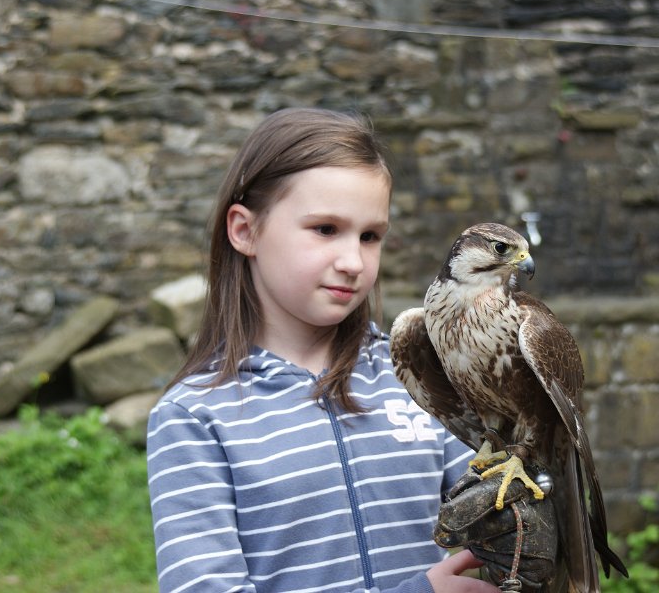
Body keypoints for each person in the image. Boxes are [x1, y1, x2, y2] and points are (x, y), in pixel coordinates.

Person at [146, 108, 501, 593]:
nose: (353, 261)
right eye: (325, 229)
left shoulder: (414, 376)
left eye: (370, 236)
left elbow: (497, 516)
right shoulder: (194, 416)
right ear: (245, 230)